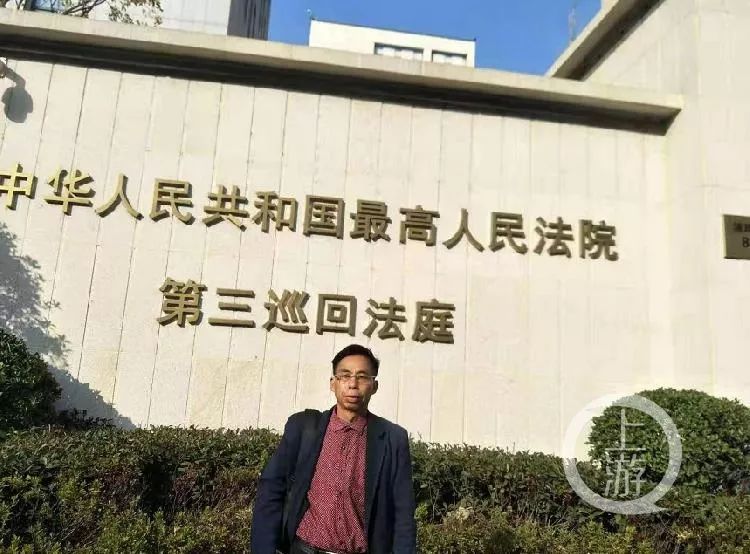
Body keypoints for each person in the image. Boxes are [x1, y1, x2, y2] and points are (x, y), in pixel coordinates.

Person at [250, 344, 417, 554]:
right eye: (345, 376)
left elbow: (403, 513)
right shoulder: (303, 428)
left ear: (374, 386)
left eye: (362, 377)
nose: (353, 384)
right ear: (333, 383)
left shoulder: (392, 439)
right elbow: (271, 490)